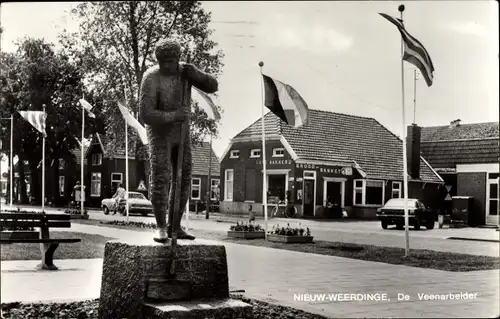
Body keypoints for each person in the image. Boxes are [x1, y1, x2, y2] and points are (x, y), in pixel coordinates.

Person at [139, 39, 218, 242]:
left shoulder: (184, 73)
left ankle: (176, 225)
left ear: (178, 60)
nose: (167, 66)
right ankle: (160, 227)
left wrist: (196, 74)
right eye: (163, 62)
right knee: (160, 177)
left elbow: (213, 85)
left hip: (181, 135)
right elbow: (146, 114)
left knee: (183, 180)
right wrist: (174, 115)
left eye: (171, 61)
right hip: (159, 135)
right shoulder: (151, 78)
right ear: (158, 61)